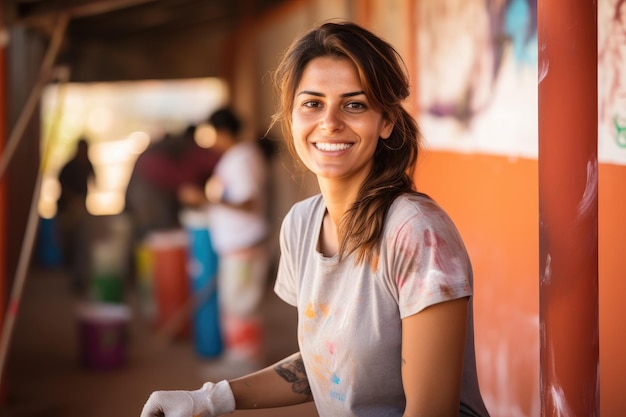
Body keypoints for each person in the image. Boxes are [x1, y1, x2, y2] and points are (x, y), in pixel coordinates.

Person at [141, 20, 491, 417]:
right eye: (312, 103)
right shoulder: (300, 224)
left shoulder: (416, 232)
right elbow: (328, 364)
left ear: (387, 121)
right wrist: (209, 399)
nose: (330, 122)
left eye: (354, 104)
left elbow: (431, 411)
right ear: (291, 119)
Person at [178, 108, 271, 366]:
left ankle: (243, 360)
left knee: (240, 304)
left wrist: (206, 199)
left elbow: (248, 202)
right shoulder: (239, 156)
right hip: (239, 244)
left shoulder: (241, 158)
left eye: (213, 134)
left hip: (245, 244)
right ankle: (243, 356)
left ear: (224, 132)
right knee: (238, 302)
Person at [57, 137, 95, 291]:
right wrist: (73, 199)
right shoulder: (69, 166)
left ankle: (79, 279)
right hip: (67, 210)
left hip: (80, 210)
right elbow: (62, 186)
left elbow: (95, 181)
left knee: (81, 244)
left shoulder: (87, 164)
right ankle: (72, 277)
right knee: (69, 245)